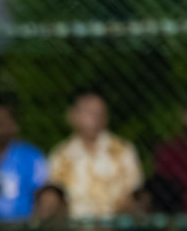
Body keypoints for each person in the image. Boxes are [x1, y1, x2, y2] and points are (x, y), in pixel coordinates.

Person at [48, 89, 143, 222]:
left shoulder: (123, 151)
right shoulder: (60, 156)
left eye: (100, 113)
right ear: (73, 116)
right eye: (89, 112)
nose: (95, 117)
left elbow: (134, 195)